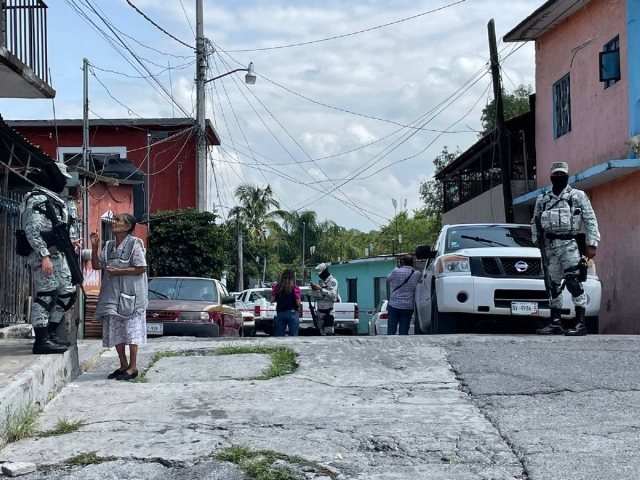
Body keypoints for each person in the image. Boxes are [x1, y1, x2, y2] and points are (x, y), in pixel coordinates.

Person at [532, 162, 600, 336]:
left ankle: (580, 322)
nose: (559, 178)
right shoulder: (544, 199)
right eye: (556, 175)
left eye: (562, 175)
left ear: (567, 176)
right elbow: (535, 221)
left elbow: (590, 219)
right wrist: (536, 239)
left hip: (570, 244)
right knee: (552, 284)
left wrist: (592, 243)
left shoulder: (577, 196)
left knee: (572, 281)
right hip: (550, 247)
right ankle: (556, 322)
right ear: (551, 177)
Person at [21, 162, 80, 354]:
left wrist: (70, 244)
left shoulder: (52, 199)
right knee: (46, 296)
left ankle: (51, 333)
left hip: (59, 255)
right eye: (61, 178)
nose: (63, 182)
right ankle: (41, 340)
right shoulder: (37, 198)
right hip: (45, 256)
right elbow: (33, 230)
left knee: (68, 294)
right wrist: (44, 255)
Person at [91, 213, 148, 380]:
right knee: (116, 331)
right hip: (112, 296)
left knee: (131, 332)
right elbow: (96, 265)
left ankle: (133, 367)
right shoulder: (109, 246)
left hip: (131, 296)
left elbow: (141, 267)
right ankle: (123, 365)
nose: (114, 223)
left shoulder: (135, 244)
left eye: (118, 221)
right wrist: (95, 247)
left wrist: (120, 271)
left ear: (127, 227)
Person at [386, 255, 421, 335]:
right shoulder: (417, 274)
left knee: (391, 329)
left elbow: (388, 279)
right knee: (404, 330)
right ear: (412, 263)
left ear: (402, 262)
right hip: (408, 306)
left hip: (394, 304)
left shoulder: (396, 271)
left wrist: (399, 267)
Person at [270, 269, 301, 337]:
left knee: (280, 336)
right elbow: (298, 303)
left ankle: (281, 347)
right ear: (293, 278)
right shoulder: (295, 288)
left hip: (280, 313)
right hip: (292, 313)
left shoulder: (277, 287)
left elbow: (272, 300)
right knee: (293, 337)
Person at [310, 263, 339, 336]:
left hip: (328, 311)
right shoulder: (322, 282)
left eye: (320, 273)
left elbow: (333, 294)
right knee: (320, 333)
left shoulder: (332, 281)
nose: (319, 276)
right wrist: (314, 290)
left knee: (328, 333)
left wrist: (321, 289)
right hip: (320, 312)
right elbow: (319, 296)